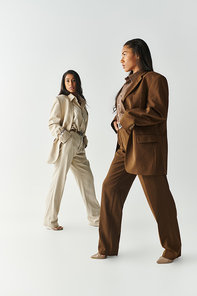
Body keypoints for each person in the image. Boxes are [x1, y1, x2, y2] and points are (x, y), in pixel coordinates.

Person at [91, 39, 181, 263]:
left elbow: (158, 112)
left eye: (125, 54)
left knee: (159, 199)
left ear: (138, 54)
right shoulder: (127, 83)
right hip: (124, 146)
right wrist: (116, 121)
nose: (121, 59)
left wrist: (127, 119)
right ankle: (107, 248)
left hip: (146, 149)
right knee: (110, 188)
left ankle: (172, 249)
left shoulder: (155, 79)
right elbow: (124, 111)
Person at [44, 70, 100, 230]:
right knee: (59, 180)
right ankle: (50, 220)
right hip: (67, 143)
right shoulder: (61, 100)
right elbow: (52, 123)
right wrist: (64, 137)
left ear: (78, 83)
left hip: (79, 144)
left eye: (73, 80)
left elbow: (82, 125)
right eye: (67, 81)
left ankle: (95, 218)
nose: (70, 84)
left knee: (87, 179)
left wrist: (83, 139)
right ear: (63, 83)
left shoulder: (81, 102)